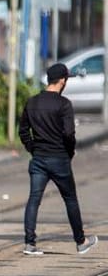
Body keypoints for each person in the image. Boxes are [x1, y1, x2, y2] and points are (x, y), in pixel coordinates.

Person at [19, 62, 98, 256]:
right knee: (70, 199)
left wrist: (33, 149)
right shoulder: (64, 104)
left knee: (34, 199)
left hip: (39, 159)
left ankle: (29, 244)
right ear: (62, 81)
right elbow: (69, 134)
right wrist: (69, 153)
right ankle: (81, 242)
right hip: (59, 158)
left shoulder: (32, 102)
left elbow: (23, 131)